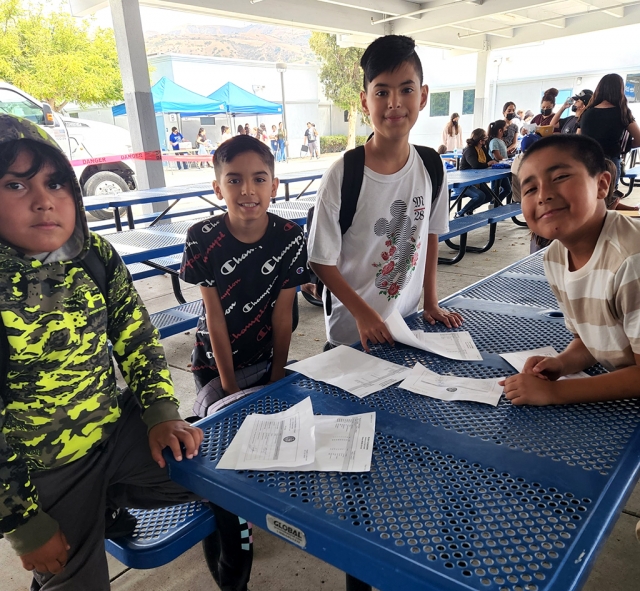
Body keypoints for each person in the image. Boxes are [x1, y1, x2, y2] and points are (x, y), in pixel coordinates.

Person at [0, 115, 253, 591]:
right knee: (70, 574)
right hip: (45, 472)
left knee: (223, 481)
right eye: (15, 185)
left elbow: (135, 337)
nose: (43, 200)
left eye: (55, 182)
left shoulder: (94, 255)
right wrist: (23, 524)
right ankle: (90, 512)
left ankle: (110, 500)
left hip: (115, 432)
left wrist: (161, 413)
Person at [308, 34, 463, 351]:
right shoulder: (343, 175)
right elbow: (320, 260)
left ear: (422, 96)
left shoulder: (431, 166)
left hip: (406, 323)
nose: (394, 102)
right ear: (365, 101)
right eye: (382, 92)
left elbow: (431, 235)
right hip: (352, 334)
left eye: (406, 89)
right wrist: (364, 316)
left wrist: (431, 302)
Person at [500, 134, 640, 408]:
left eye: (561, 177)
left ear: (601, 185)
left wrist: (555, 393)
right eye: (530, 189)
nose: (543, 195)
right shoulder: (554, 257)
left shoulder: (630, 260)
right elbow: (592, 340)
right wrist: (561, 364)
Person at [180, 135, 309, 416]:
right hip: (213, 364)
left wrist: (277, 374)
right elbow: (214, 314)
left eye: (260, 180)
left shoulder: (290, 237)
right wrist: (228, 386)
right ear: (218, 188)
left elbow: (284, 312)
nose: (248, 190)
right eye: (234, 180)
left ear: (274, 186)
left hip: (264, 359)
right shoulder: (200, 238)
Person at [579, 73, 640, 189]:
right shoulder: (622, 112)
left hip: (587, 161)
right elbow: (639, 139)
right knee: (608, 197)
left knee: (589, 195)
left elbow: (579, 138)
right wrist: (625, 146)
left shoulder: (587, 112)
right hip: (610, 161)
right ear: (620, 90)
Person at [455, 128, 497, 217]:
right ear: (481, 140)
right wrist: (488, 164)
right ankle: (460, 213)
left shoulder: (482, 149)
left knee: (489, 196)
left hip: (476, 180)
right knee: (480, 196)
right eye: (485, 138)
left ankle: (469, 210)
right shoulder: (469, 150)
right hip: (464, 182)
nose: (486, 140)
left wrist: (494, 162)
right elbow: (475, 165)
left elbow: (490, 160)